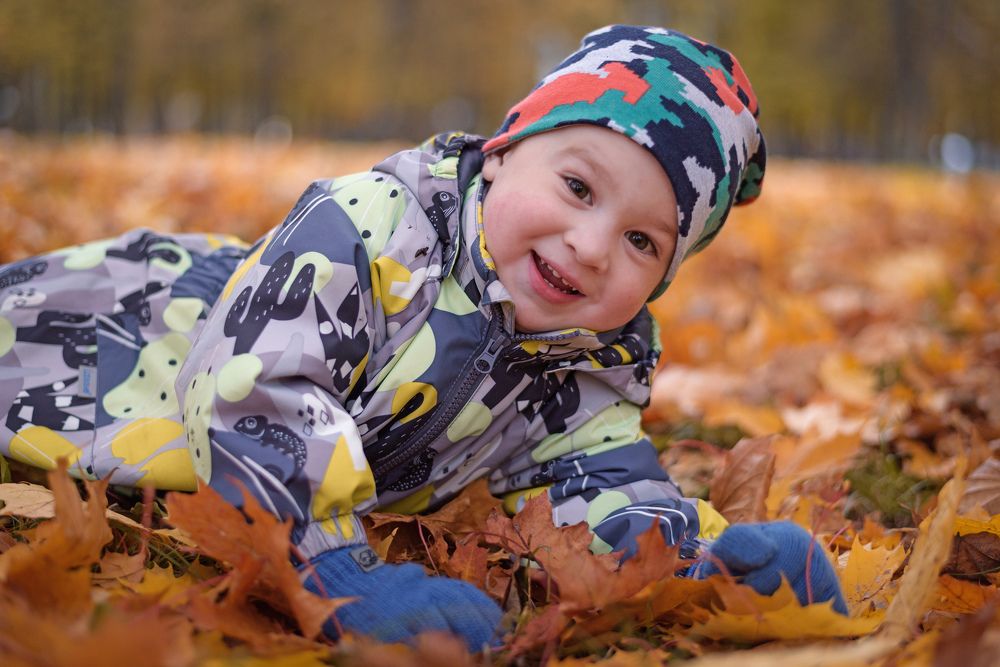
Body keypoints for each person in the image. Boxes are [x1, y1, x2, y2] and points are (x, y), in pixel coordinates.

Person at [0, 25, 845, 651]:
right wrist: (330, 563)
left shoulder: (589, 353)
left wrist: (678, 558)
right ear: (508, 148)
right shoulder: (368, 231)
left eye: (642, 242)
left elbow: (593, 470)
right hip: (132, 339)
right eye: (579, 185)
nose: (592, 245)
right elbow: (255, 384)